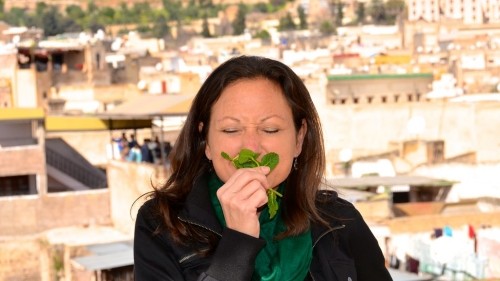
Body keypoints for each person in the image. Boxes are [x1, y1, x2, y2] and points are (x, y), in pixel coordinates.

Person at [133, 56, 393, 281]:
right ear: (206, 142)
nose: (252, 148)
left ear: (299, 139)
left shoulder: (339, 222)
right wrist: (237, 244)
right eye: (231, 130)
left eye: (270, 129)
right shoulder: (160, 224)